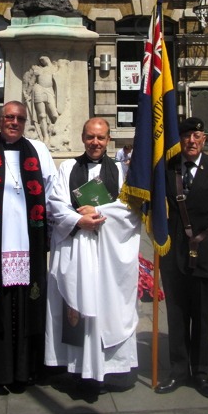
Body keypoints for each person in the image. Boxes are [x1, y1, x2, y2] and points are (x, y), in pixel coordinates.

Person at [45, 118, 141, 391]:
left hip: (107, 252)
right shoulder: (67, 168)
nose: (95, 143)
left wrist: (97, 214)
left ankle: (110, 368)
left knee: (107, 304)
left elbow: (129, 210)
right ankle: (78, 368)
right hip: (76, 248)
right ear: (82, 137)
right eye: (90, 137)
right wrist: (78, 220)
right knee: (77, 301)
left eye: (100, 138)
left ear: (108, 139)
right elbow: (56, 203)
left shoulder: (121, 172)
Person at [0, 100, 56, 386]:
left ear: (25, 121)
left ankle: (25, 371)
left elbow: (52, 193)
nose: (14, 122)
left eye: (19, 118)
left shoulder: (39, 151)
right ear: (0, 119)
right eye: (9, 117)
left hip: (29, 243)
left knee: (26, 306)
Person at [156, 117, 208, 399]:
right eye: (187, 135)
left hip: (205, 254)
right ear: (180, 139)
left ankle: (201, 372)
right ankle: (178, 370)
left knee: (202, 316)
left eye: (197, 136)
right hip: (173, 254)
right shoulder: (167, 169)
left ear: (205, 139)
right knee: (176, 315)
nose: (192, 141)